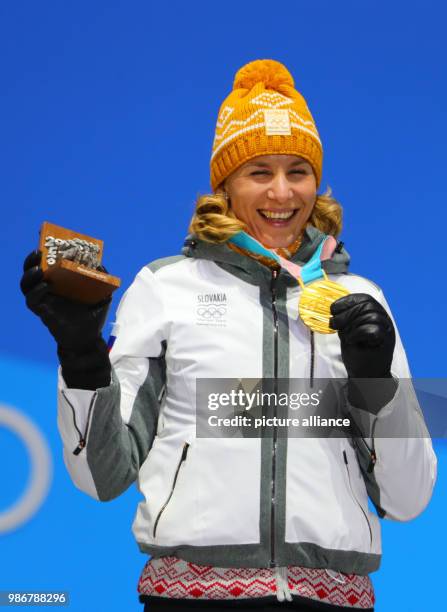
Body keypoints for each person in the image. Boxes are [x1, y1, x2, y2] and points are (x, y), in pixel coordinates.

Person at [21, 59, 436, 611]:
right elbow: (103, 477)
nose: (282, 193)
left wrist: (376, 383)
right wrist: (81, 358)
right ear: (226, 184)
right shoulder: (166, 286)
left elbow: (409, 500)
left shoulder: (361, 300)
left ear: (318, 180)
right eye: (259, 172)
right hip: (191, 597)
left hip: (334, 598)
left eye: (298, 170)